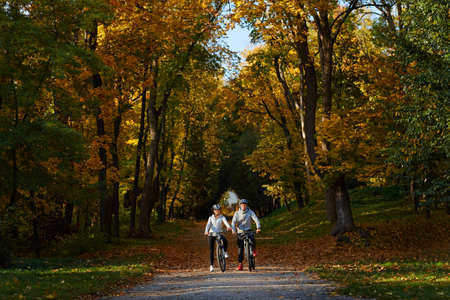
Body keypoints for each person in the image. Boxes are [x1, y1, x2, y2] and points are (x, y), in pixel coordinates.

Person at [231, 199, 261, 271]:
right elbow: (233, 222)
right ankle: (240, 264)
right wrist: (233, 230)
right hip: (240, 232)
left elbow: (256, 219)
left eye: (245, 205)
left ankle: (253, 250)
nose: (243, 206)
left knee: (252, 239)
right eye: (242, 205)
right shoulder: (237, 213)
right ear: (240, 206)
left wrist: (258, 227)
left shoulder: (250, 212)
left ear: (247, 205)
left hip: (248, 230)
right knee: (240, 249)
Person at [204, 204, 232, 272]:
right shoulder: (210, 218)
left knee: (225, 241)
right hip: (211, 234)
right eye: (216, 210)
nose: (217, 211)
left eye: (218, 210)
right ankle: (211, 266)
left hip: (219, 233)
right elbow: (208, 225)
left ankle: (225, 252)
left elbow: (225, 222)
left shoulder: (222, 217)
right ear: (214, 211)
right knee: (211, 250)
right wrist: (206, 231)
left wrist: (228, 227)